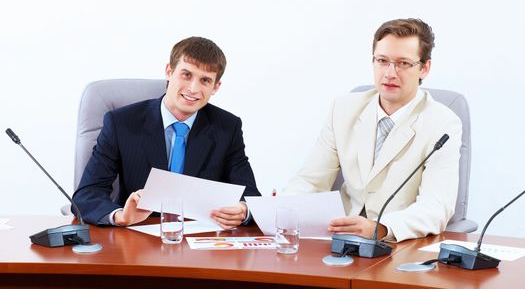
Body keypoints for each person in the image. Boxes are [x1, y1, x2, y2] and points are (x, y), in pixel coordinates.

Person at [283, 18, 462, 242]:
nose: (390, 73)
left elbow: (436, 206)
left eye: (403, 63)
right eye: (382, 61)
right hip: (340, 239)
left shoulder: (442, 123)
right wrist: (283, 210)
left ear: (424, 68)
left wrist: (381, 228)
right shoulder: (343, 109)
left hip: (399, 243)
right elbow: (310, 181)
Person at [73, 36, 261, 228]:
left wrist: (244, 210)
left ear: (215, 87)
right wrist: (121, 216)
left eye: (205, 80)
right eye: (186, 75)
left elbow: (251, 196)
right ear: (169, 71)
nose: (193, 89)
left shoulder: (227, 128)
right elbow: (87, 195)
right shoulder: (121, 123)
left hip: (200, 239)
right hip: (137, 237)